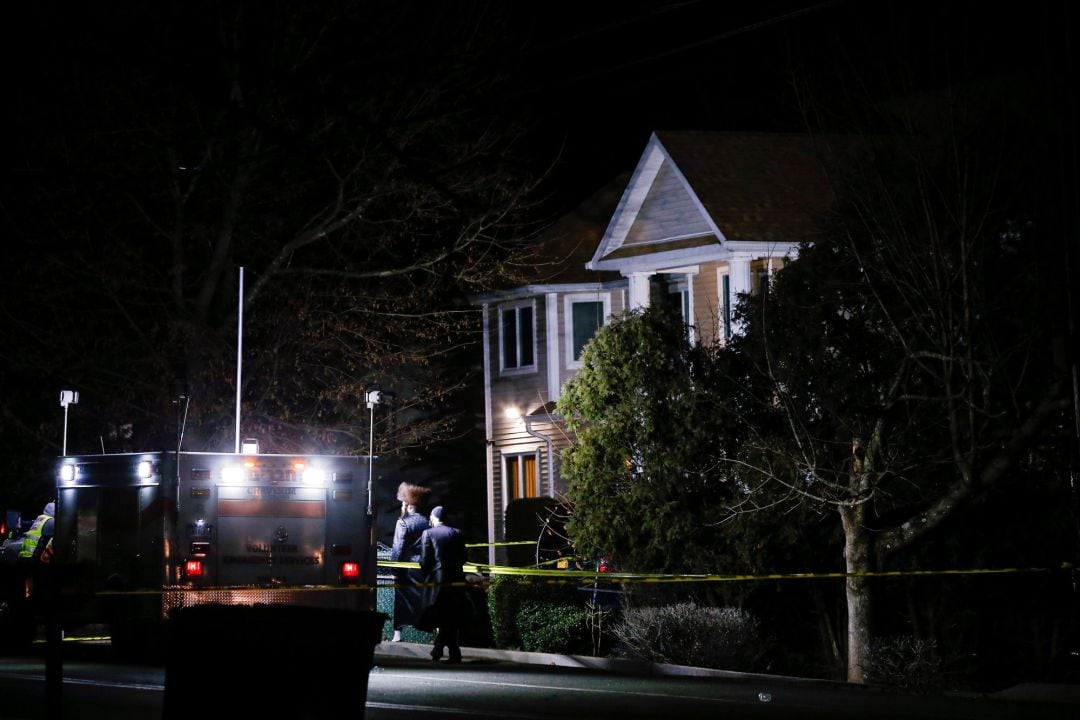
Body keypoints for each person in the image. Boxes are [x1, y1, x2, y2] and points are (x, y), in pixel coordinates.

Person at [417, 505, 468, 663]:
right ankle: (452, 652)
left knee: (443, 615)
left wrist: (427, 575)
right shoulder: (457, 533)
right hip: (456, 579)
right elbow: (463, 558)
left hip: (438, 580)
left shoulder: (428, 533)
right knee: (451, 615)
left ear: (433, 518)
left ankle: (440, 649)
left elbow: (425, 560)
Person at [389, 482, 430, 643]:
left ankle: (397, 633)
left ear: (407, 504)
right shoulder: (427, 521)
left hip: (406, 568)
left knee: (402, 600)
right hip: (424, 567)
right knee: (425, 599)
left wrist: (394, 570)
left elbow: (398, 547)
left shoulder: (403, 522)